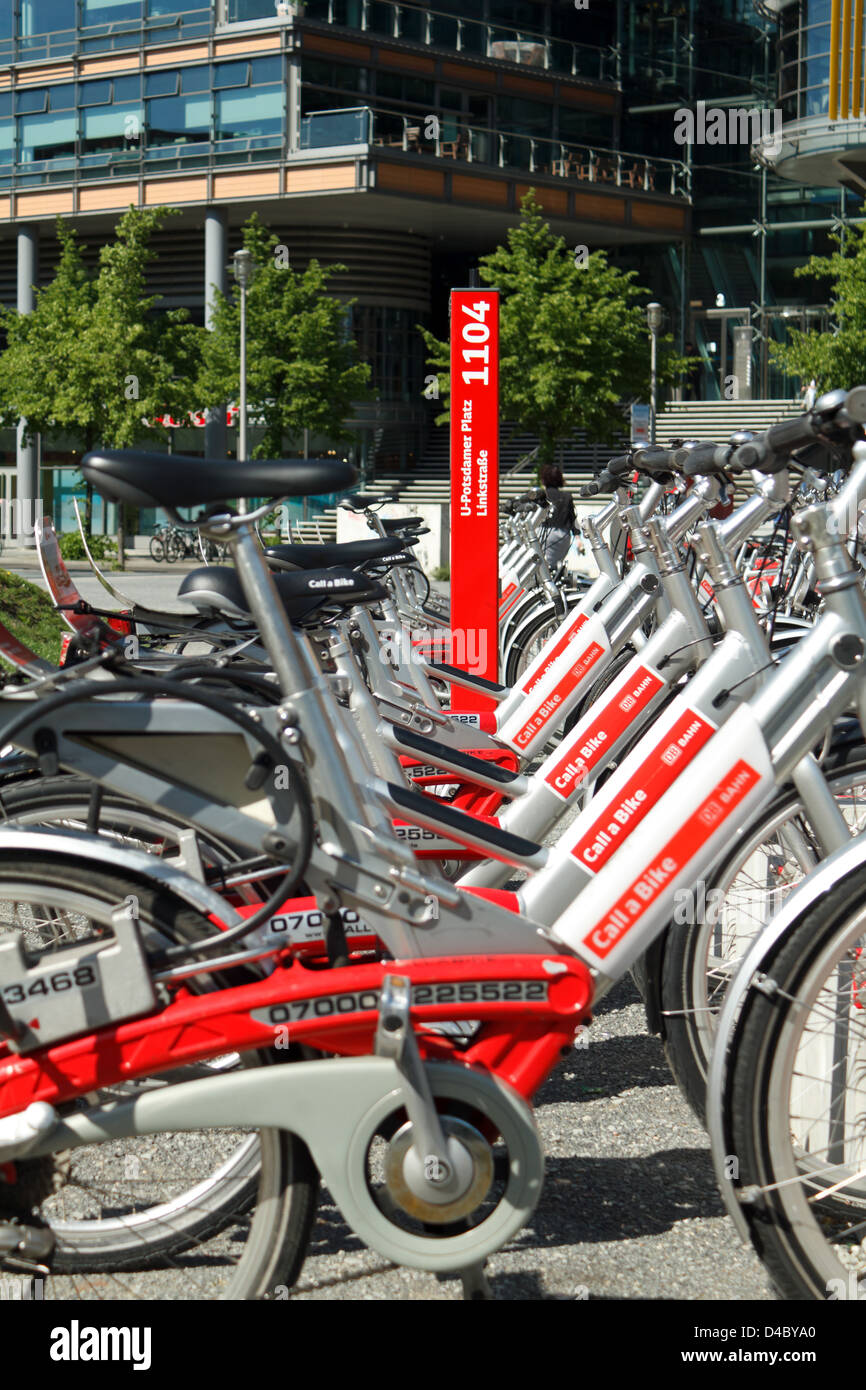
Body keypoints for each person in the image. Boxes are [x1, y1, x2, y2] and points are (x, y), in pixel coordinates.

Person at [527, 464, 576, 573]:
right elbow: (572, 518)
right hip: (563, 536)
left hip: (544, 533)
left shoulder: (541, 496)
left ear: (544, 478)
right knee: (553, 567)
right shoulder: (567, 496)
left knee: (541, 567)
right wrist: (577, 537)